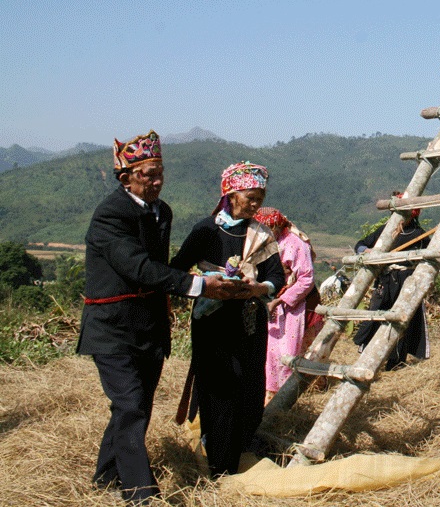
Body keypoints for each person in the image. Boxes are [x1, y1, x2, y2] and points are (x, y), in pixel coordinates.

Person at [77, 130, 239, 505]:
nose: (157, 181)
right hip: (112, 327)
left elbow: (161, 268)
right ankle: (141, 494)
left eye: (160, 172)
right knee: (131, 405)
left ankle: (105, 478)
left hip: (149, 327)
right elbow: (140, 269)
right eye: (148, 174)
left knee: (135, 407)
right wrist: (199, 286)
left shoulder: (160, 212)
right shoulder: (110, 215)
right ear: (126, 178)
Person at [170, 161, 285, 477]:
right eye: (251, 196)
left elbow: (277, 274)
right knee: (219, 386)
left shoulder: (260, 235)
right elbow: (178, 269)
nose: (256, 203)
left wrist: (259, 287)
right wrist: (207, 281)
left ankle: (243, 445)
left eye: (260, 197)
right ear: (231, 194)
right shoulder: (206, 231)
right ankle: (220, 461)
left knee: (249, 385)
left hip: (249, 321)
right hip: (213, 322)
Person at [353, 192, 431, 370]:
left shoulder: (419, 234)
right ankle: (370, 358)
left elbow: (430, 259)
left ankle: (396, 361)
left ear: (412, 215)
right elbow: (361, 244)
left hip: (407, 281)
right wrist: (367, 251)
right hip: (386, 279)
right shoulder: (384, 231)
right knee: (377, 316)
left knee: (401, 320)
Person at [254, 207, 322, 404]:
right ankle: (270, 391)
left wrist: (281, 300)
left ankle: (286, 395)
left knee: (287, 349)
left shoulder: (295, 243)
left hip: (293, 303)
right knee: (270, 349)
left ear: (276, 225)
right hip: (269, 296)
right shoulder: (265, 242)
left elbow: (306, 278)